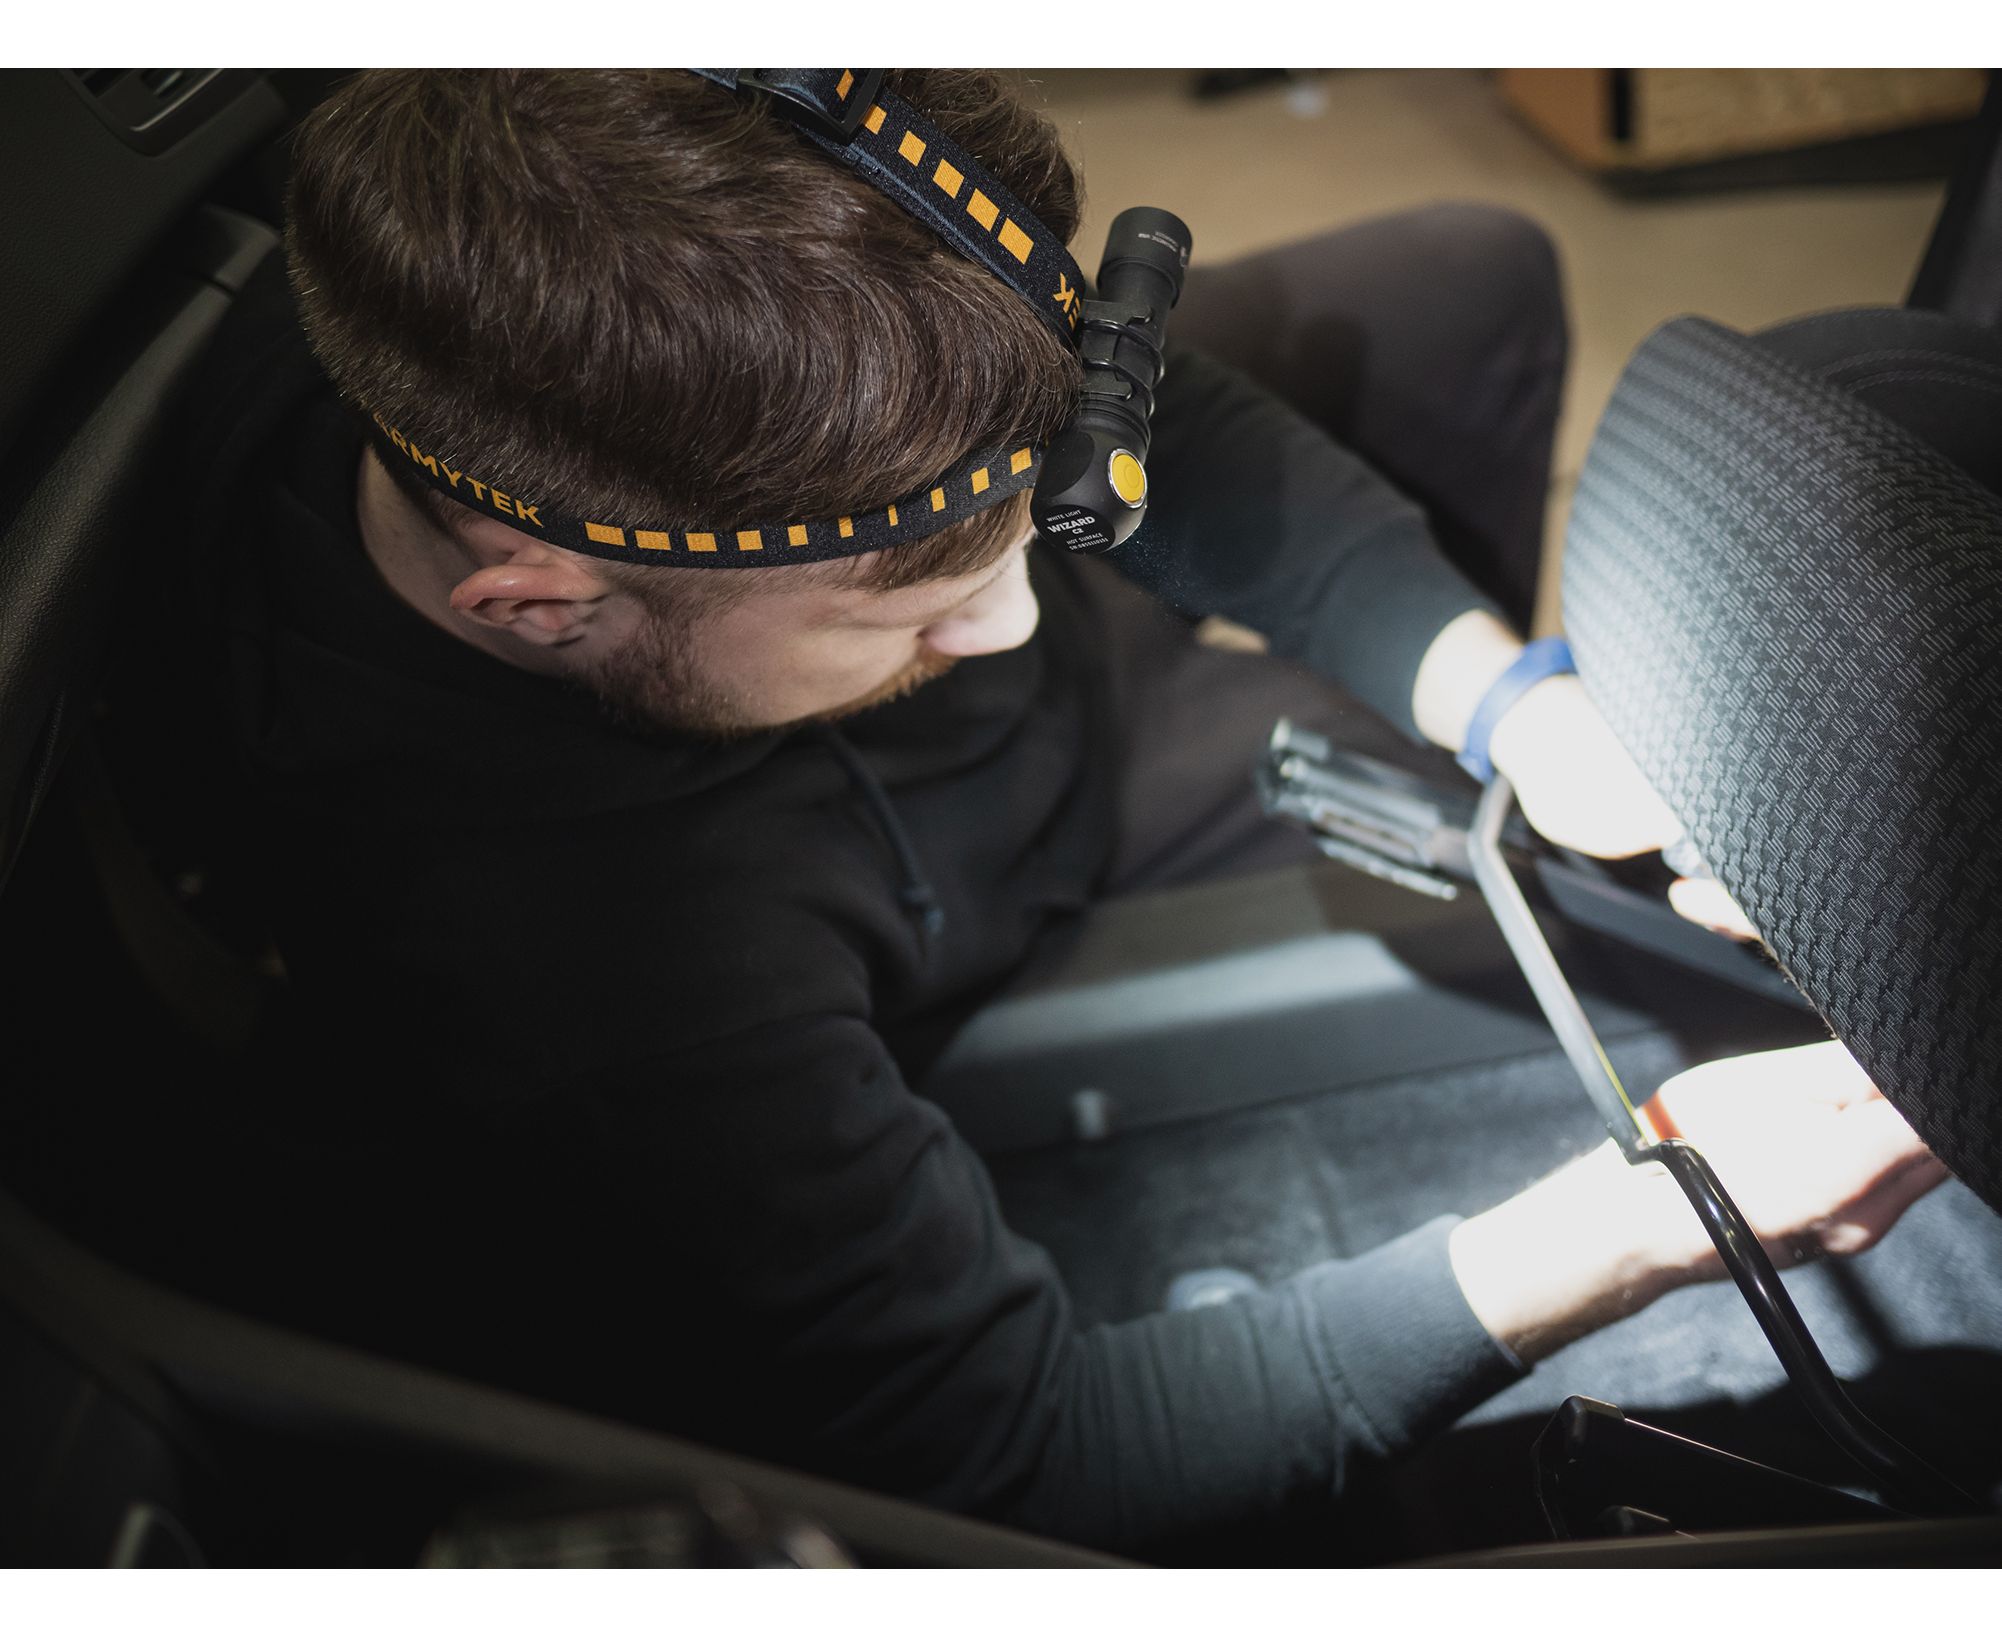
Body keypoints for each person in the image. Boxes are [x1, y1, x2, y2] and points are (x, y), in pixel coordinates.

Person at [178, 69, 1944, 1556]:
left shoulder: (587, 296)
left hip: (1004, 759)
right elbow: (1032, 1455)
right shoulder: (587, 985)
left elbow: (1132, 440)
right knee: (1600, 927)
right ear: (541, 603)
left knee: (1466, 271)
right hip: (992, 873)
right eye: (916, 605)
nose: (1017, 616)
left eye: (1041, 527)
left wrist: (1511, 702)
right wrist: (1659, 1214)